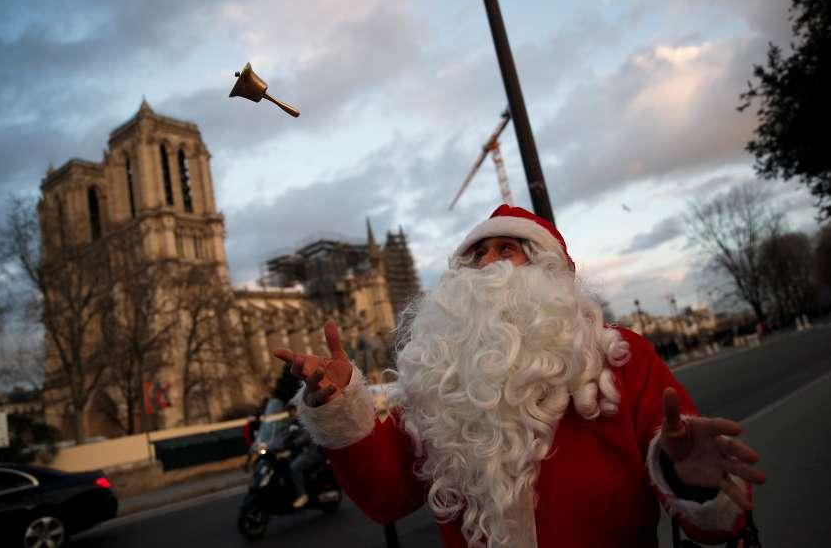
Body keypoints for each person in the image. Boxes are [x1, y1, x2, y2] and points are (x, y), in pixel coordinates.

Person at [274, 205, 765, 547]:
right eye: (475, 256)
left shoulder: (621, 358)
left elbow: (717, 523)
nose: (486, 265)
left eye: (506, 250)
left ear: (548, 271)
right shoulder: (440, 382)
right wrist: (340, 406)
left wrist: (692, 482)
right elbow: (386, 496)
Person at [285, 403, 326, 509]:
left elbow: (306, 435)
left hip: (313, 451)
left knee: (294, 467)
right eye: (289, 411)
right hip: (302, 451)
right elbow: (283, 435)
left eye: (292, 410)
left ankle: (302, 495)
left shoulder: (304, 419)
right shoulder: (291, 422)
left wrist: (295, 443)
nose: (290, 413)